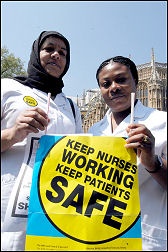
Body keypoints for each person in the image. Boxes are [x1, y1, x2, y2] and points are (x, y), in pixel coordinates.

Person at [1, 31, 83, 251]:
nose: (56, 55)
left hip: (52, 214)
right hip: (6, 209)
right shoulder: (8, 88)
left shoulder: (72, 107)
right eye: (49, 49)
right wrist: (13, 133)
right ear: (37, 53)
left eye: (63, 53)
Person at [88, 56, 167, 251]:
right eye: (106, 84)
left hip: (147, 239)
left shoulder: (162, 121)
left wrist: (152, 163)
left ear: (137, 82)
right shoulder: (92, 132)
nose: (113, 87)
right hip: (98, 237)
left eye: (121, 80)